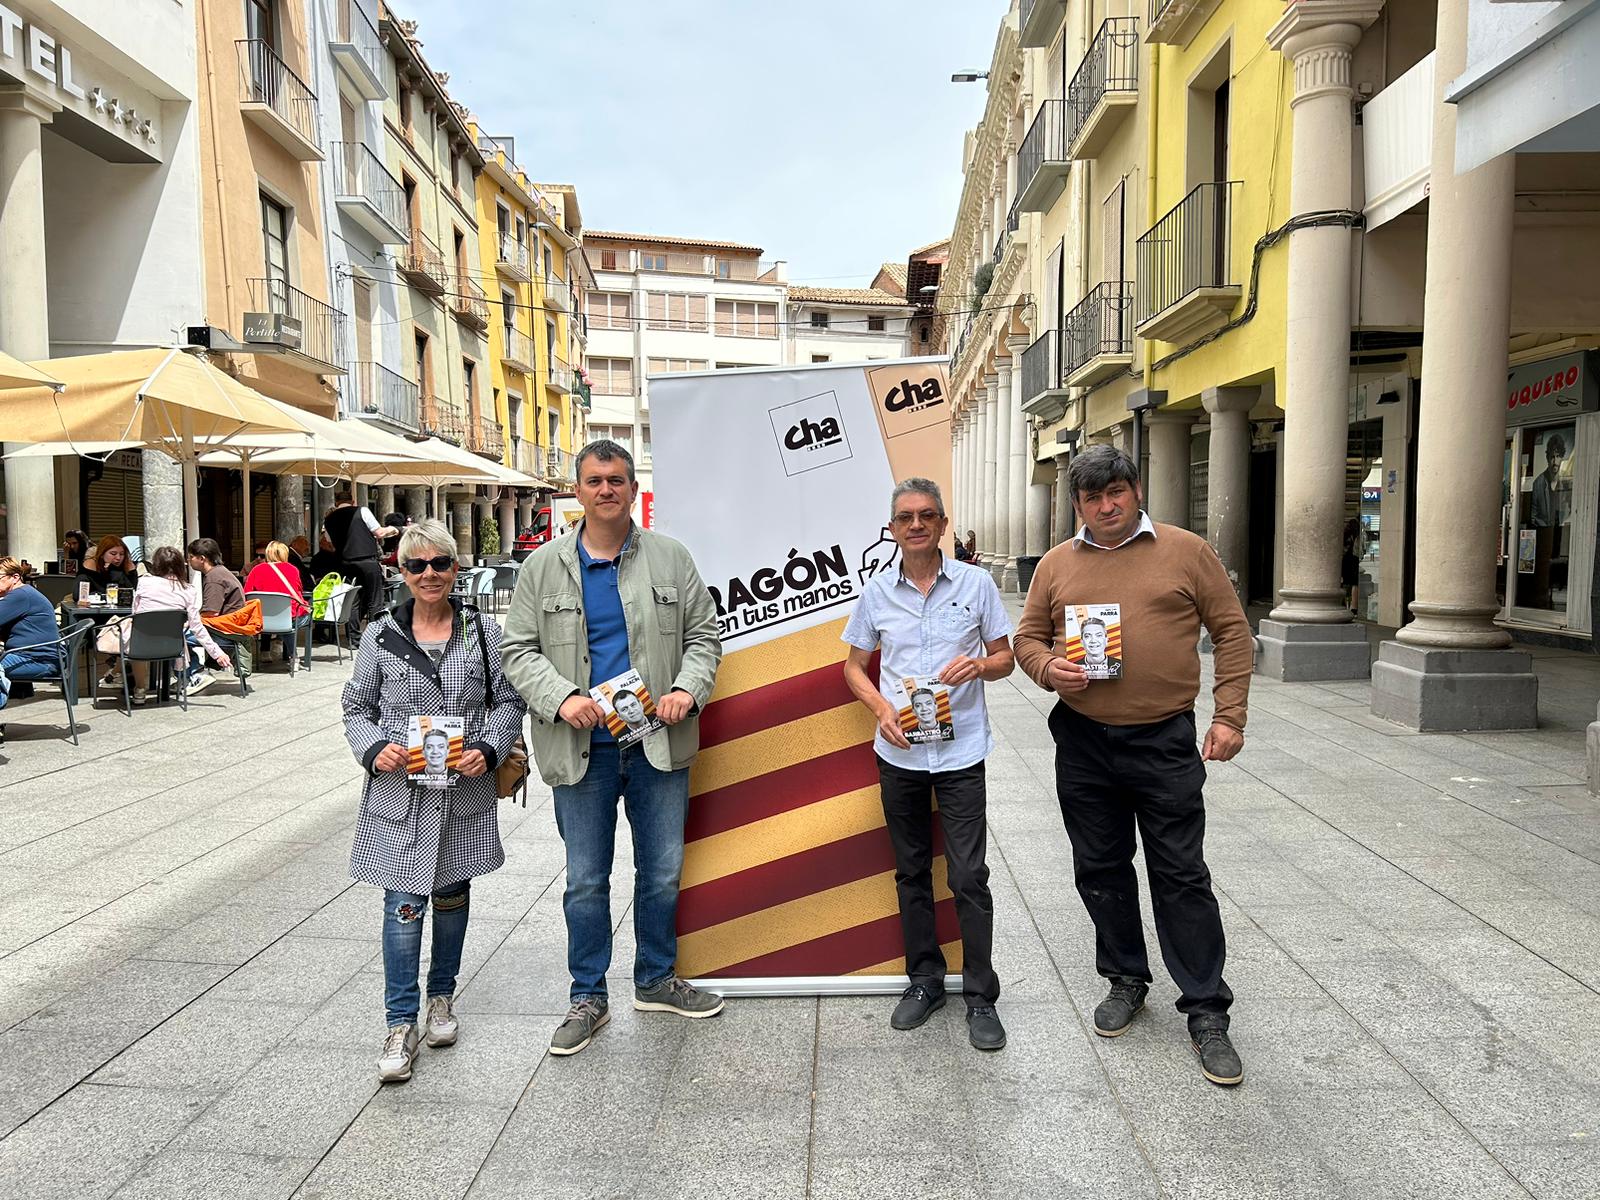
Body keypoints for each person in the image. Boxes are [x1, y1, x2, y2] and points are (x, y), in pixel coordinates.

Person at [1013, 445, 1252, 1087]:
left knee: (1181, 871)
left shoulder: (1185, 551)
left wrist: (1229, 715)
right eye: (1093, 498)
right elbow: (1027, 639)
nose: (1107, 506)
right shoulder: (1058, 564)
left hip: (1164, 740)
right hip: (1085, 741)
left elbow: (1231, 630)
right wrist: (1047, 669)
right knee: (1099, 866)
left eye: (1116, 492)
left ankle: (1206, 1010)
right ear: (1078, 504)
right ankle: (1125, 977)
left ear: (1136, 489)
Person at [501, 438, 724, 1057]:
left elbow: (706, 635)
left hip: (658, 742)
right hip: (582, 749)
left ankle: (655, 979)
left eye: (617, 480)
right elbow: (517, 650)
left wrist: (686, 688)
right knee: (584, 880)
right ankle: (587, 996)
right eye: (595, 480)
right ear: (579, 490)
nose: (606, 489)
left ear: (633, 490)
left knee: (661, 873)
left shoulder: (672, 558)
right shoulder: (542, 567)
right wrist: (561, 697)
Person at [341, 518, 527, 1084]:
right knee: (403, 906)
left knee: (450, 899)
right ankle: (400, 1022)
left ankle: (441, 997)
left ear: (455, 569)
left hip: (463, 791)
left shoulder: (481, 630)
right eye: (416, 565)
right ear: (400, 571)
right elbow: (356, 707)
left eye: (440, 564)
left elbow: (508, 700)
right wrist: (376, 750)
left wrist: (488, 749)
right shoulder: (380, 635)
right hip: (401, 794)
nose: (429, 575)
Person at [842, 477, 1015, 1052]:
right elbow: (853, 668)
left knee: (969, 876)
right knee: (911, 871)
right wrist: (880, 708)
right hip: (901, 753)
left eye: (927, 515)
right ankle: (924, 980)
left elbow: (1006, 658)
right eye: (905, 517)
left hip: (962, 750)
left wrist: (982, 668)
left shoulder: (976, 583)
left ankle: (980, 995)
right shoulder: (876, 593)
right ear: (892, 528)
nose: (916, 525)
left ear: (943, 525)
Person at [123, 546, 232, 702]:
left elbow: (136, 613)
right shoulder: (188, 590)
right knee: (184, 631)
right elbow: (197, 627)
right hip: (172, 646)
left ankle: (139, 689)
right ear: (181, 566)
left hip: (140, 644)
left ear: (156, 564)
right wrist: (217, 653)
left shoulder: (144, 582)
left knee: (130, 636)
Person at [0, 557, 63, 712]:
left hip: (38, 660)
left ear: (15, 577)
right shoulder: (22, 593)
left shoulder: (20, 595)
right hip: (35, 656)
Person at [324, 491, 398, 624]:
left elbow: (329, 542)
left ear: (336, 502)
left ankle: (354, 640)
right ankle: (375, 633)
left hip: (345, 563)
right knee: (375, 600)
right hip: (367, 561)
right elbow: (379, 532)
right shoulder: (362, 511)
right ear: (353, 501)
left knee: (352, 602)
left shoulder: (329, 518)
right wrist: (392, 529)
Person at [187, 538, 249, 679]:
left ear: (202, 559)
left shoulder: (214, 578)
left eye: (191, 557)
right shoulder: (221, 572)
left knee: (177, 637)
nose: (188, 561)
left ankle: (195, 673)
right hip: (231, 629)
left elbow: (211, 613)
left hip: (224, 633)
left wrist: (188, 621)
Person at [244, 540, 312, 666]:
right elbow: (298, 590)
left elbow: (247, 594)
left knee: (267, 609)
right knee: (296, 616)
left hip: (262, 620)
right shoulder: (292, 570)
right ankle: (293, 655)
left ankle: (265, 651)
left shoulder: (256, 570)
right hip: (287, 618)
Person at [1530, 433, 1566, 529]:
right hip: (1544, 535)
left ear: (1562, 457)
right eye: (1552, 457)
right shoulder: (1538, 484)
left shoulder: (1566, 482)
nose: (1555, 462)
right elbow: (1532, 517)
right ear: (1547, 458)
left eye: (1558, 456)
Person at [1341, 518, 1363, 611]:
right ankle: (1353, 606)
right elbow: (1360, 550)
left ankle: (1343, 604)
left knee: (1344, 583)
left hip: (1345, 561)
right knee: (1355, 583)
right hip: (1354, 560)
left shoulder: (1345, 536)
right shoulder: (1358, 536)